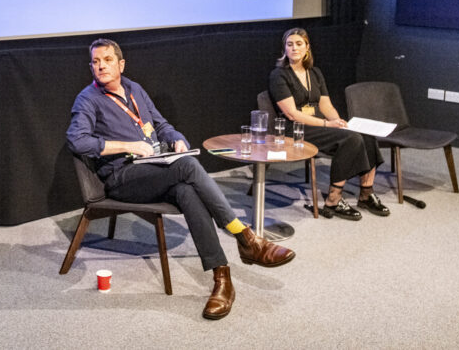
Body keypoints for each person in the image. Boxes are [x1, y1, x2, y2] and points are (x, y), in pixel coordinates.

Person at [68, 38, 295, 320]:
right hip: (122, 176)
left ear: (121, 64)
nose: (100, 66)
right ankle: (244, 236)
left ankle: (222, 279)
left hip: (153, 167)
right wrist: (126, 146)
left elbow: (161, 125)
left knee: (187, 190)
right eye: (95, 62)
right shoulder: (88, 99)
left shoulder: (134, 88)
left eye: (107, 60)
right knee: (187, 168)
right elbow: (77, 141)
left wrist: (176, 140)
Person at [268, 27, 389, 220]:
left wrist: (338, 121)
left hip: (319, 124)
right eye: (289, 45)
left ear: (307, 47)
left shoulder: (314, 73)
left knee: (365, 136)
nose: (294, 48)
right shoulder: (279, 75)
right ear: (284, 49)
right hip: (297, 129)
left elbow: (325, 104)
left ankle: (366, 194)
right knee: (351, 140)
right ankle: (334, 198)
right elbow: (292, 114)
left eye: (299, 44)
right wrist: (327, 125)